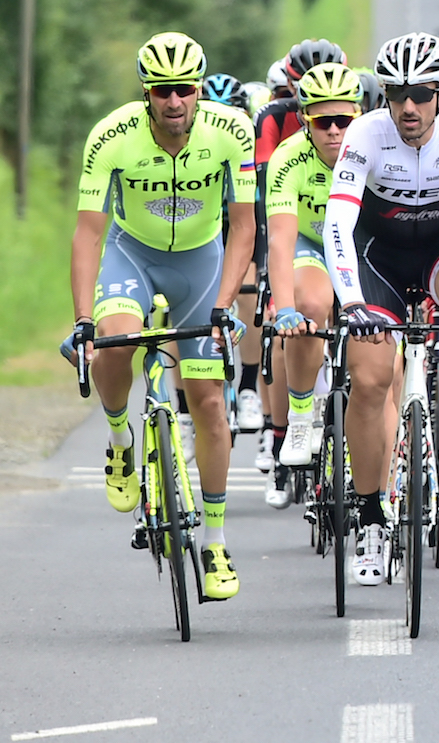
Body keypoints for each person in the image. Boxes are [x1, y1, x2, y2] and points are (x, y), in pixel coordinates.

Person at [66, 32, 257, 600]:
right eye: (163, 91)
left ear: (199, 91)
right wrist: (82, 319)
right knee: (115, 340)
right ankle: (122, 442)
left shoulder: (231, 132)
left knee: (209, 407)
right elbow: (88, 233)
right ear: (147, 93)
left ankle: (216, 544)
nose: (175, 101)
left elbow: (243, 225)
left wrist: (223, 306)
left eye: (185, 90)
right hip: (133, 257)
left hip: (202, 266)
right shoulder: (112, 136)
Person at [323, 33, 439, 585]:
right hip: (379, 254)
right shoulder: (365, 133)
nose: (407, 107)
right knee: (371, 379)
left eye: (420, 94)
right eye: (396, 93)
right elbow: (338, 222)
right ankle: (372, 516)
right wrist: (352, 301)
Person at [264, 64, 364, 506]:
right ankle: (301, 414)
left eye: (345, 120)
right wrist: (283, 307)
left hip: (362, 246)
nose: (335, 131)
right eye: (323, 121)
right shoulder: (288, 158)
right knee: (310, 304)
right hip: (310, 243)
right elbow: (281, 241)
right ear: (305, 119)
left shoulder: (376, 150)